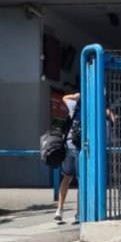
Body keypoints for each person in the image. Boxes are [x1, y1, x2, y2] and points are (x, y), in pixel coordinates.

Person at [54, 91, 81, 224]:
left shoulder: (74, 106)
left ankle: (59, 209)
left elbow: (64, 97)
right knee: (82, 181)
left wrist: (76, 95)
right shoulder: (92, 108)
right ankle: (79, 214)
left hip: (68, 146)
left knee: (66, 177)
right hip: (81, 148)